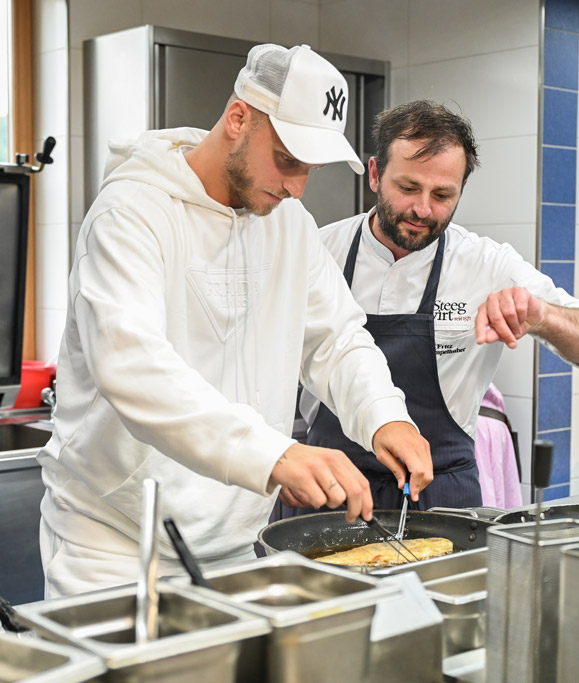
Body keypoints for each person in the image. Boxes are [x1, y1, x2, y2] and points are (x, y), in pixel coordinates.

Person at [37, 44, 433, 599]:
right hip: (114, 546)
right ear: (238, 117)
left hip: (234, 547)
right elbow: (132, 365)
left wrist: (385, 415)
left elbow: (337, 339)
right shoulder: (131, 213)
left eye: (310, 168)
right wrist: (274, 454)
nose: (297, 186)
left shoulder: (287, 223)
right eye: (288, 159)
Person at [294, 99, 579, 511]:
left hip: (441, 496)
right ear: (375, 174)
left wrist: (541, 315)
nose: (423, 209)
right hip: (329, 487)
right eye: (408, 187)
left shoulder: (487, 263)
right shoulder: (318, 249)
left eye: (443, 194)